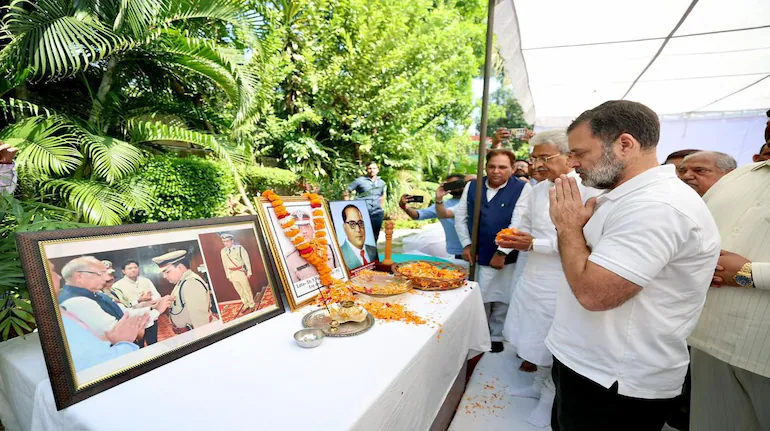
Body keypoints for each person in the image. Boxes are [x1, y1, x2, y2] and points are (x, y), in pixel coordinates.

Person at [546, 100, 720, 431]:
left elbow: (595, 294)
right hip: (587, 365)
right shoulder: (622, 197)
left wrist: (568, 228)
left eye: (580, 152)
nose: (571, 162)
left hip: (614, 381)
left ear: (625, 144)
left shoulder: (656, 206)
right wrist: (573, 231)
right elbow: (580, 262)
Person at [499, 129, 600, 428]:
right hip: (533, 276)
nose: (538, 164)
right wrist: (514, 236)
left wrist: (535, 244)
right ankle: (535, 387)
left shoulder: (589, 189)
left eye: (545, 157)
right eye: (534, 158)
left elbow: (588, 243)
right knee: (531, 332)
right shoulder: (538, 188)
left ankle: (548, 402)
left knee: (554, 342)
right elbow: (527, 223)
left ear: (569, 156)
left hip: (564, 279)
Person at [687, 157, 770, 431]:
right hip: (709, 342)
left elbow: (742, 271)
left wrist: (750, 274)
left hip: (763, 352)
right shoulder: (737, 177)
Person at [454, 148, 532, 353]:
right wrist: (466, 244)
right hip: (478, 252)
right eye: (492, 166)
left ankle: (497, 334)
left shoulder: (522, 188)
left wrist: (502, 252)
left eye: (502, 167)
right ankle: (480, 333)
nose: (496, 171)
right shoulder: (472, 186)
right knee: (481, 294)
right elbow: (460, 217)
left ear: (513, 169)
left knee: (503, 296)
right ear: (486, 167)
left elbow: (519, 221)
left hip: (507, 253)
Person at [58, 257, 171, 342]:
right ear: (79, 276)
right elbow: (116, 331)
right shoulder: (77, 302)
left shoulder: (97, 294)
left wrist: (153, 308)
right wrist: (157, 311)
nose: (107, 278)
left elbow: (124, 312)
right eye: (101, 274)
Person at [398, 174, 465, 260]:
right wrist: (404, 206)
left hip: (476, 251)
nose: (454, 187)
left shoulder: (476, 202)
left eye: (457, 183)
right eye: (450, 185)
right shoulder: (441, 205)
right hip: (454, 253)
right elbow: (418, 215)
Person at [60, 307, 145, 371]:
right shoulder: (77, 303)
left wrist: (111, 338)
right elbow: (101, 365)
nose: (104, 282)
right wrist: (125, 343)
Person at [153, 250, 217, 332]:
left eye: (167, 272)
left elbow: (200, 319)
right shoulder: (182, 281)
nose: (164, 276)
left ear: (180, 267)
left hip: (193, 333)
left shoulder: (191, 282)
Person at [111, 259, 162, 346]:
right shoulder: (117, 286)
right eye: (129, 268)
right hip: (134, 320)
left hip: (150, 316)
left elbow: (157, 296)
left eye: (135, 267)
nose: (133, 270)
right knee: (138, 345)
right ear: (123, 271)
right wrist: (139, 300)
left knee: (153, 342)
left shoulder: (146, 281)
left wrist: (150, 299)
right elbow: (122, 306)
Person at [285, 210, 338, 282]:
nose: (304, 231)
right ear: (292, 233)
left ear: (313, 230)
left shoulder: (330, 249)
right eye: (298, 228)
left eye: (307, 226)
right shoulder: (290, 260)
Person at [344, 162, 386, 242]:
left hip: (377, 212)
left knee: (375, 235)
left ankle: (372, 253)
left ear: (377, 170)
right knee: (362, 234)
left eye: (374, 168)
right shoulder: (360, 181)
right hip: (362, 212)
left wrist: (381, 206)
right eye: (370, 168)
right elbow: (347, 191)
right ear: (367, 170)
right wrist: (347, 205)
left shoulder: (382, 183)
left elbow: (383, 195)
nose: (372, 170)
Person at [219, 233, 256, 310]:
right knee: (239, 290)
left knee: (246, 289)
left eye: (227, 241)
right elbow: (224, 264)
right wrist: (228, 275)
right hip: (232, 273)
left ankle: (251, 304)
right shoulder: (223, 251)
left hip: (240, 271)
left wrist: (249, 272)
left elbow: (246, 260)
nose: (226, 243)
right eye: (224, 242)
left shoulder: (239, 248)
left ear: (232, 241)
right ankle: (246, 304)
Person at [339, 205, 378, 270]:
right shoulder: (339, 256)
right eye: (352, 224)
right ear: (344, 228)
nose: (358, 229)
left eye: (360, 223)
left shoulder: (374, 251)